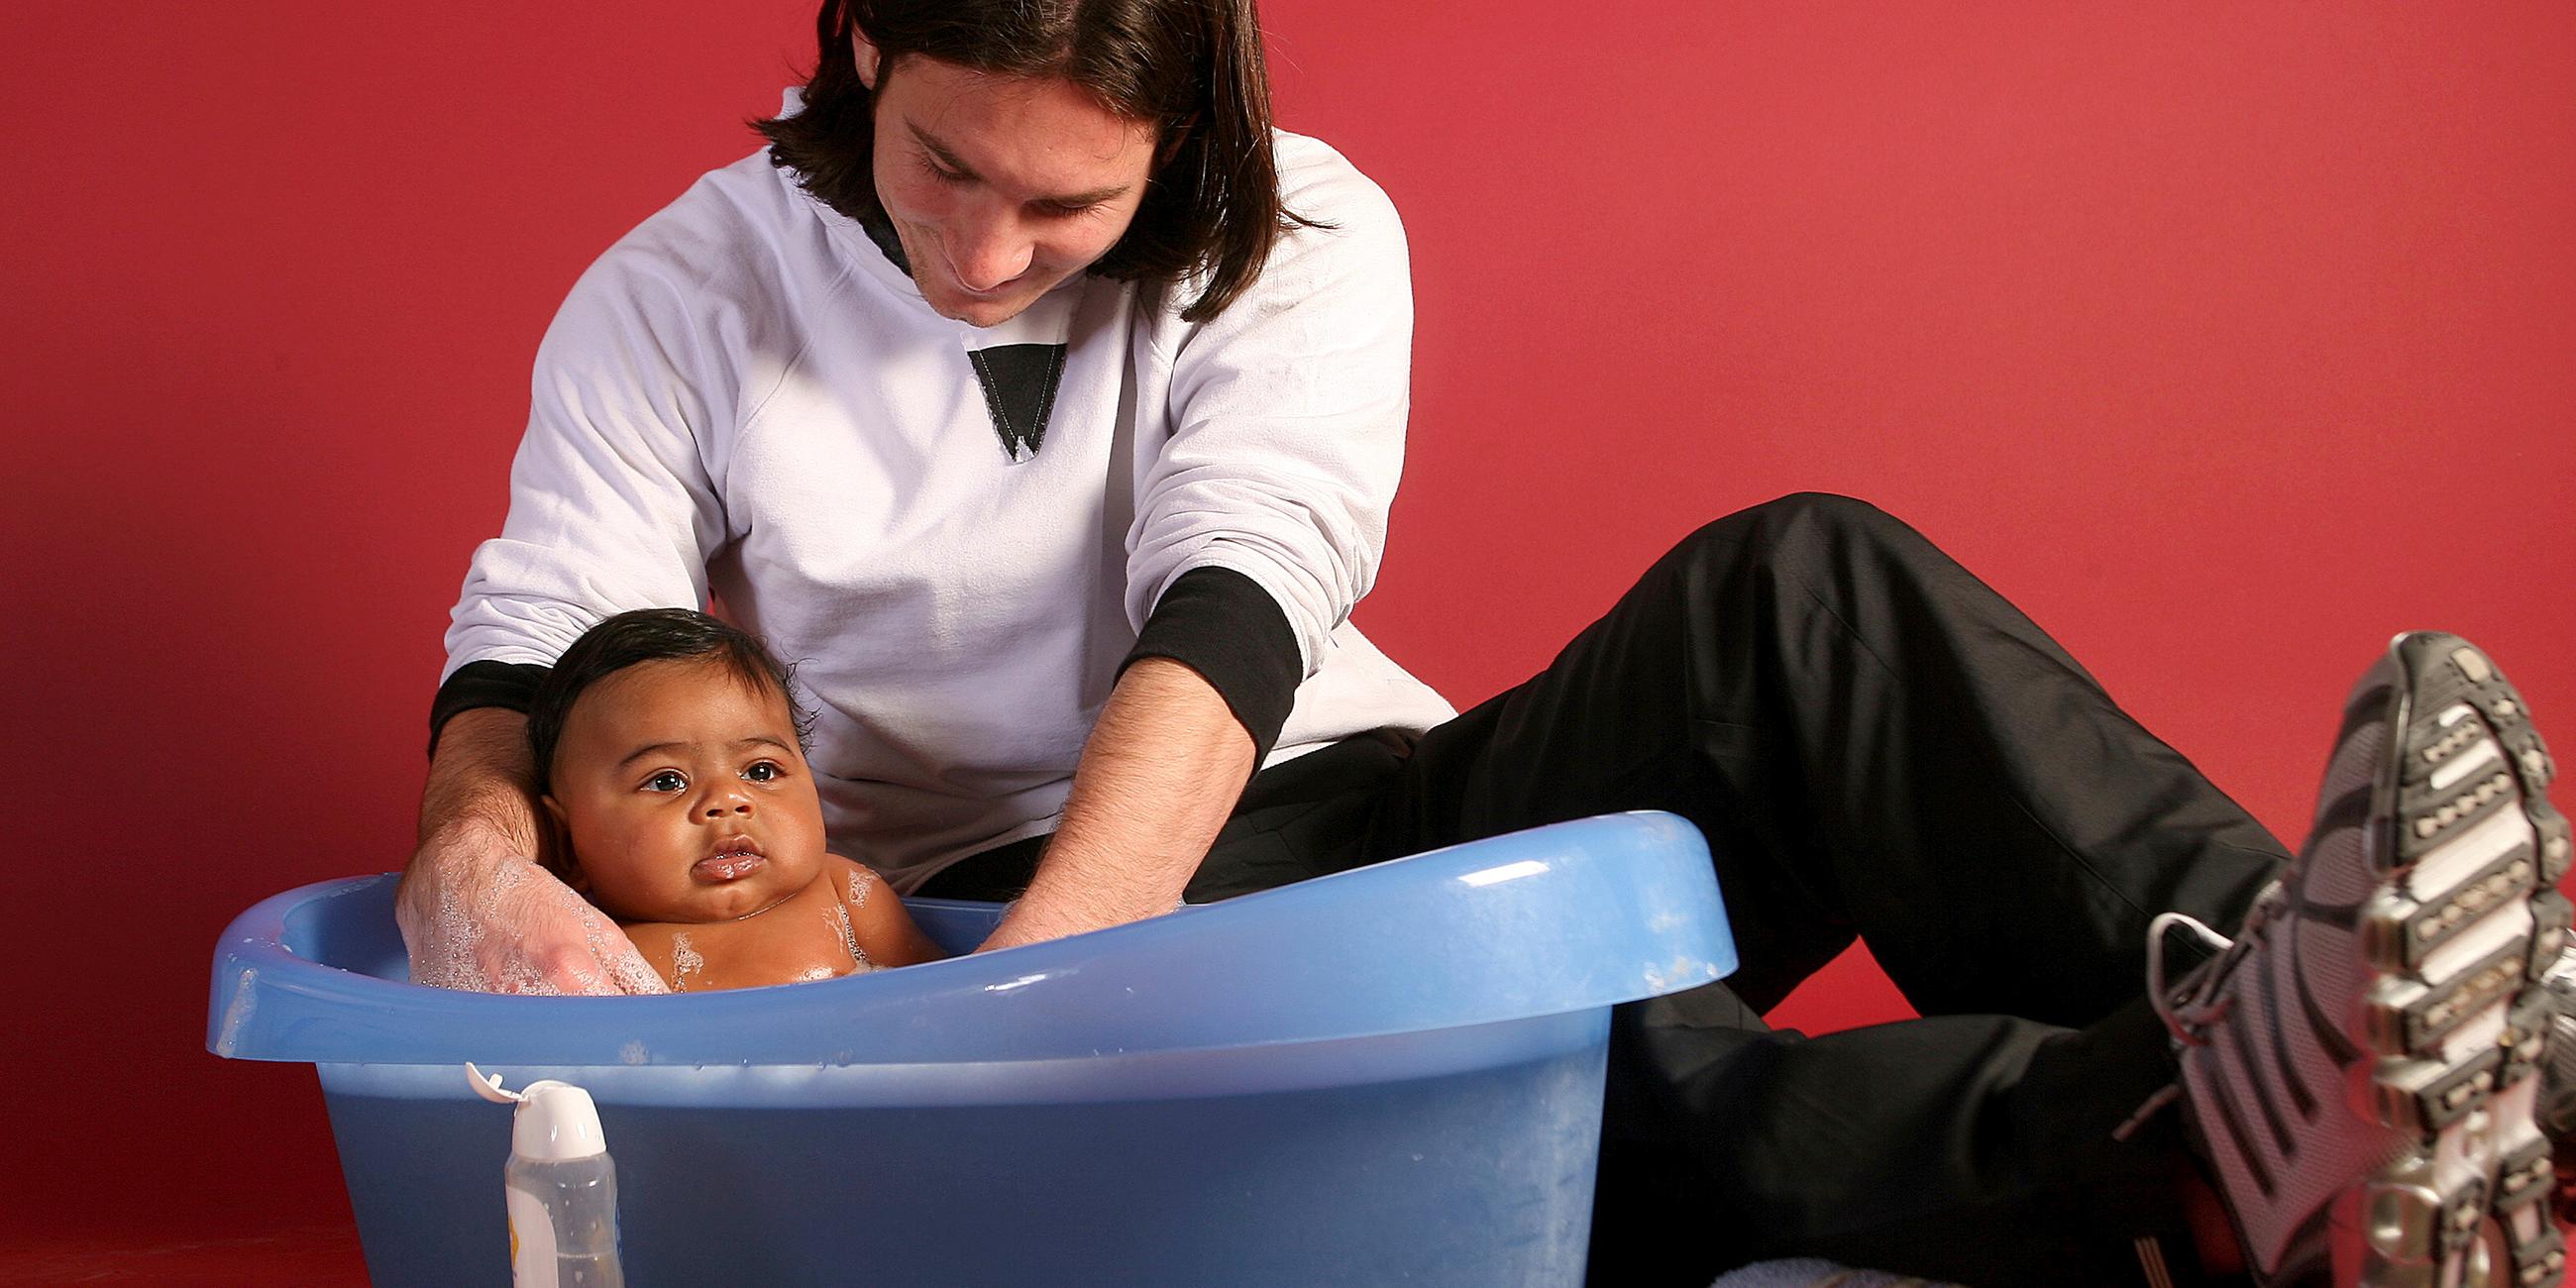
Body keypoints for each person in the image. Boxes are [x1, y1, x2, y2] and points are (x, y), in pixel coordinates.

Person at [393, 0, 2574, 1282]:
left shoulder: (1311, 225)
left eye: (1067, 208)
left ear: (1188, 141)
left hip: (1306, 801)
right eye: (947, 162)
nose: (988, 248)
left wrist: (1080, 965)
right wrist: (481, 869)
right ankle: (2220, 1132)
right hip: (993, 917)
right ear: (860, 38)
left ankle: (2362, 1012)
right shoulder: (679, 293)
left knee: (1797, 581)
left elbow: (1237, 596)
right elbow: (539, 645)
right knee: (1590, 1059)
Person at [523, 607, 946, 992]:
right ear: (566, 841)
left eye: (760, 771)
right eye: (667, 781)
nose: (727, 800)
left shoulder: (847, 896)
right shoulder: (579, 945)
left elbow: (939, 1004)